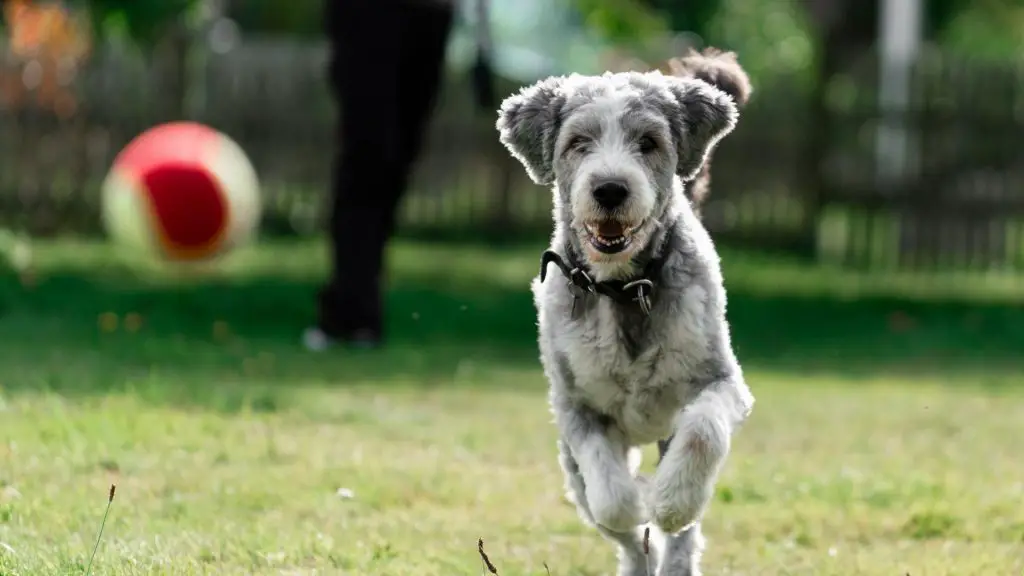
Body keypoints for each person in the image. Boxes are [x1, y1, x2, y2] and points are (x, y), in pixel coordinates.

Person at [304, 0, 461, 350]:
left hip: (432, 13)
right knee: (369, 152)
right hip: (368, 13)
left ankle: (358, 302)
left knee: (398, 160)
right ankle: (352, 310)